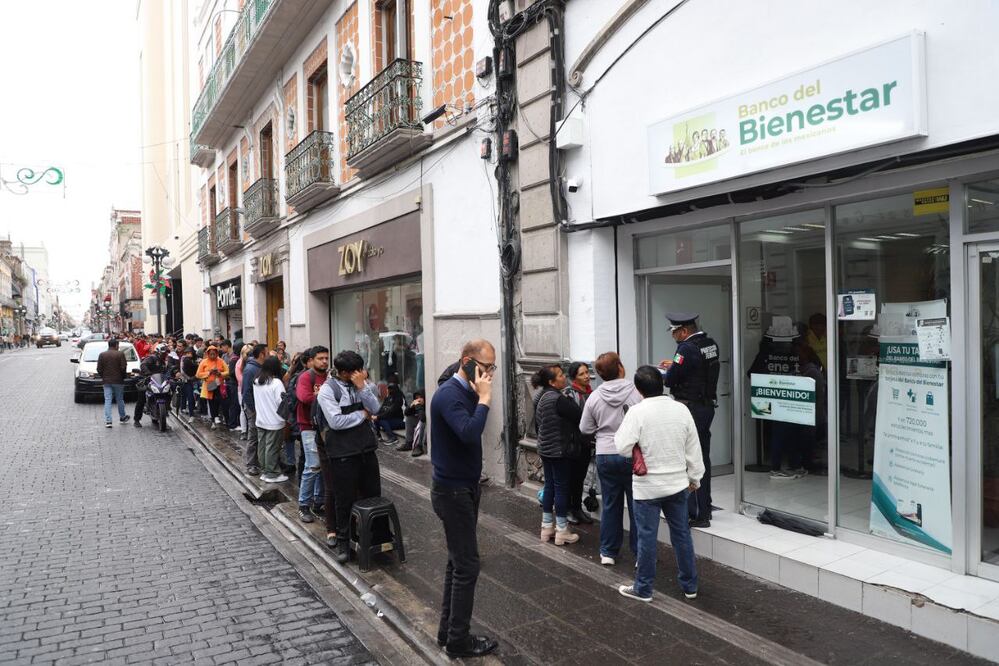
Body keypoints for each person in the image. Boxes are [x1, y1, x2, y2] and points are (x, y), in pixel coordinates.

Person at [429, 339, 498, 658]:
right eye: (485, 368)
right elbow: (469, 432)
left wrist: (479, 394)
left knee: (457, 563)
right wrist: (484, 400)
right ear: (467, 362)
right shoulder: (449, 395)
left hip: (465, 487)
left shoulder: (466, 391)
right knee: (468, 565)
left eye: (492, 369)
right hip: (452, 491)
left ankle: (448, 633)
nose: (489, 376)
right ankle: (458, 640)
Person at [615, 366, 704, 603]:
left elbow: (622, 447)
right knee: (682, 535)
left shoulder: (636, 412)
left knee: (647, 537)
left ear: (638, 389)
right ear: (662, 384)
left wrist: (637, 446)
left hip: (647, 487)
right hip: (677, 484)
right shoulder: (681, 409)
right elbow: (693, 447)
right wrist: (695, 477)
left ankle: (643, 589)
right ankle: (690, 586)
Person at [316, 350, 383, 564]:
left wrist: (363, 388)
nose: (360, 374)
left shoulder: (363, 384)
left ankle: (377, 538)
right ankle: (344, 542)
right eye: (355, 372)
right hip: (342, 453)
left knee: (373, 494)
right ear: (344, 373)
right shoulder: (328, 390)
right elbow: (336, 422)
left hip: (366, 449)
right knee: (344, 499)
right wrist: (361, 415)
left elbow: (375, 408)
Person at [579, 352, 642, 566]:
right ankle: (639, 553)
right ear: (621, 368)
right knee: (637, 505)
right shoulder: (635, 391)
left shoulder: (594, 396)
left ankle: (608, 552)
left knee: (610, 503)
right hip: (631, 453)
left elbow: (584, 428)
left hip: (606, 453)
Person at [659, 312, 720, 528]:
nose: (673, 336)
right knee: (703, 457)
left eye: (674, 332)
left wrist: (666, 373)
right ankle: (705, 506)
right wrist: (674, 366)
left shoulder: (686, 348)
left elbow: (672, 379)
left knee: (691, 460)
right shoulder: (709, 343)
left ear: (684, 331)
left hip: (691, 408)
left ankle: (697, 513)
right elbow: (696, 370)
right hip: (706, 406)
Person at [531, 364, 583, 546]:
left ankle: (546, 528)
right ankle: (562, 530)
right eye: (560, 375)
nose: (564, 378)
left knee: (550, 486)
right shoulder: (557, 399)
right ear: (552, 381)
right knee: (561, 488)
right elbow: (579, 416)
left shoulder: (541, 396)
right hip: (559, 450)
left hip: (545, 449)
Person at [295, 346, 329, 528]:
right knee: (313, 465)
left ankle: (318, 500)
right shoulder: (306, 377)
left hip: (325, 426)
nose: (324, 361)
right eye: (320, 358)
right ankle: (303, 505)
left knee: (323, 465)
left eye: (326, 358)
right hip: (308, 426)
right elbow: (305, 397)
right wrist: (326, 395)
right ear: (312, 360)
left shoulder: (329, 377)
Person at [563, 361, 594, 525]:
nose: (587, 376)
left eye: (587, 372)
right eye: (582, 374)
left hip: (586, 443)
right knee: (570, 477)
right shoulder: (569, 394)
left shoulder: (592, 393)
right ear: (574, 377)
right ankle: (568, 509)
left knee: (580, 477)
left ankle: (577, 508)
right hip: (573, 443)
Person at [253, 356, 289, 484]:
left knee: (262, 447)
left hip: (261, 419)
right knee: (272, 448)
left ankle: (265, 471)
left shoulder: (257, 381)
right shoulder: (276, 383)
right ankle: (272, 473)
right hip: (274, 420)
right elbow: (281, 402)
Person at [241, 344, 267, 476]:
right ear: (261, 354)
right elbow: (246, 392)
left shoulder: (260, 368)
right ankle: (251, 464)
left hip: (261, 407)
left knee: (260, 435)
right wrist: (253, 410)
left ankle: (261, 461)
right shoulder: (250, 369)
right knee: (254, 435)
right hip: (253, 408)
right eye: (266, 353)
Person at [96, 338, 130, 428]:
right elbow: (123, 367)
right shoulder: (120, 354)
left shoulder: (102, 355)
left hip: (106, 381)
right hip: (118, 380)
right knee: (120, 399)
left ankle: (108, 421)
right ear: (116, 345)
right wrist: (123, 376)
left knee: (107, 400)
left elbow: (98, 369)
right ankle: (122, 417)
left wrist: (103, 376)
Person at [133, 343, 168, 429]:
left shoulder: (163, 361)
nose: (165, 354)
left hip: (159, 381)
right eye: (164, 353)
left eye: (166, 353)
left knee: (169, 392)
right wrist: (148, 373)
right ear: (158, 352)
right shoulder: (152, 358)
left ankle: (165, 411)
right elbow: (143, 365)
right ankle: (137, 420)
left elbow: (167, 370)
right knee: (142, 398)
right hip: (149, 380)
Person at [196, 345, 229, 430]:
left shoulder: (221, 361)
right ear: (208, 354)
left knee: (223, 402)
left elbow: (227, 372)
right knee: (212, 404)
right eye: (211, 354)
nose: (213, 356)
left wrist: (220, 373)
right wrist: (208, 373)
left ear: (217, 353)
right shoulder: (203, 362)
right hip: (210, 387)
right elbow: (198, 374)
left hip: (220, 386)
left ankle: (225, 419)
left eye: (214, 354)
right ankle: (213, 420)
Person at [375, 372, 405, 444]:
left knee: (381, 420)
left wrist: (378, 417)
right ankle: (378, 435)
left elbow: (392, 411)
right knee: (377, 418)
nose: (389, 390)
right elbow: (382, 408)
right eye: (389, 388)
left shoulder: (399, 398)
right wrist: (376, 415)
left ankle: (392, 438)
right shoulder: (389, 397)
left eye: (391, 388)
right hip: (391, 419)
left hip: (401, 421)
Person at [399, 389, 426, 456]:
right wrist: (411, 406)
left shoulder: (427, 404)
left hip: (427, 427)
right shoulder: (417, 404)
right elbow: (406, 413)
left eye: (420, 397)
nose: (418, 400)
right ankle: (409, 442)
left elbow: (423, 418)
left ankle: (418, 446)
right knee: (409, 418)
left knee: (421, 422)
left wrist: (418, 406)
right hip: (420, 422)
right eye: (416, 398)